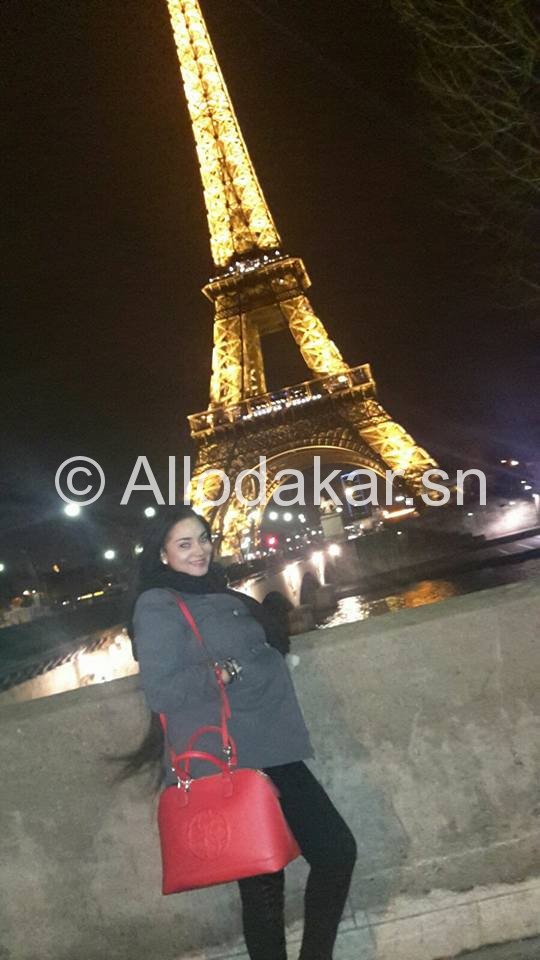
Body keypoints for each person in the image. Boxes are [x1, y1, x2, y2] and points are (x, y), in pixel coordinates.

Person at [127, 505, 356, 960]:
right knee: (323, 856)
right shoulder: (157, 604)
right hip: (239, 754)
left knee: (269, 881)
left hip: (270, 745)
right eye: (184, 543)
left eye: (203, 538)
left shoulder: (215, 591)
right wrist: (224, 672)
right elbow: (161, 691)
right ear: (162, 554)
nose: (200, 551)